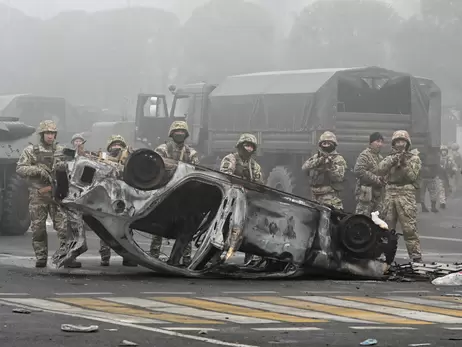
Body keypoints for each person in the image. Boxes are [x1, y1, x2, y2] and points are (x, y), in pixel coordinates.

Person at [16, 120, 81, 268]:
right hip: (38, 195)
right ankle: (41, 257)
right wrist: (38, 170)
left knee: (64, 228)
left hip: (57, 195)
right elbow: (20, 168)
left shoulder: (61, 150)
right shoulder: (31, 151)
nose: (50, 136)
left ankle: (67, 256)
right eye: (47, 133)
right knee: (38, 229)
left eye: (52, 133)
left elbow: (76, 165)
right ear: (42, 134)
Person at [149, 121, 199, 266]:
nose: (179, 134)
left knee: (186, 227)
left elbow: (196, 170)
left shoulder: (191, 153)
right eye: (177, 131)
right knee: (158, 226)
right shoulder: (162, 149)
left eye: (182, 132)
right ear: (171, 133)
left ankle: (186, 258)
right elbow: (156, 167)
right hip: (164, 192)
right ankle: (154, 256)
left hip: (184, 195)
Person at [378, 130, 423, 262]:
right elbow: (380, 169)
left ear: (407, 143)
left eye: (402, 141)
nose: (399, 144)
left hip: (406, 194)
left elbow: (412, 176)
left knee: (409, 228)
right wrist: (393, 159)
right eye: (397, 141)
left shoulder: (414, 158)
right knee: (387, 228)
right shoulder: (390, 157)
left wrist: (404, 163)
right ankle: (386, 256)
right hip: (390, 193)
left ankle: (416, 257)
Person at [220, 133, 263, 265]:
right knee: (224, 228)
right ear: (240, 146)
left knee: (249, 229)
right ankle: (217, 254)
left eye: (251, 146)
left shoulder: (254, 166)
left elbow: (259, 183)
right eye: (246, 145)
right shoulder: (230, 159)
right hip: (230, 200)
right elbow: (224, 177)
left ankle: (249, 257)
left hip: (246, 201)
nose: (248, 149)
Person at [103, 135, 138, 267]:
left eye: (120, 144)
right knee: (105, 226)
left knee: (126, 228)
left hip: (125, 198)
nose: (117, 147)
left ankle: (128, 257)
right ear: (109, 147)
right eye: (114, 144)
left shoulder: (129, 159)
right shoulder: (103, 159)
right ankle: (105, 256)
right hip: (109, 197)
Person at [301, 131, 346, 210]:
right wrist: (319, 161)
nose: (326, 145)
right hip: (315, 197)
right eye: (324, 143)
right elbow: (304, 167)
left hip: (329, 197)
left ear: (334, 144)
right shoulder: (316, 157)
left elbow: (339, 177)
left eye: (329, 143)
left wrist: (329, 167)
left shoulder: (338, 159)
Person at [353, 132, 385, 217]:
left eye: (382, 142)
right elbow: (358, 170)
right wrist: (376, 179)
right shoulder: (365, 155)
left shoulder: (380, 157)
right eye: (377, 141)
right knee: (363, 219)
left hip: (377, 196)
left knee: (377, 222)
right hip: (366, 196)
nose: (380, 144)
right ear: (371, 142)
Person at [437, 145, 457, 209]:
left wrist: (454, 170)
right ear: (440, 151)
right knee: (441, 189)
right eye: (442, 151)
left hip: (448, 177)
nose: (444, 152)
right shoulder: (438, 158)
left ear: (447, 151)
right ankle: (442, 202)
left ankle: (444, 200)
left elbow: (454, 165)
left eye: (445, 151)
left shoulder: (449, 158)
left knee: (447, 190)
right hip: (440, 176)